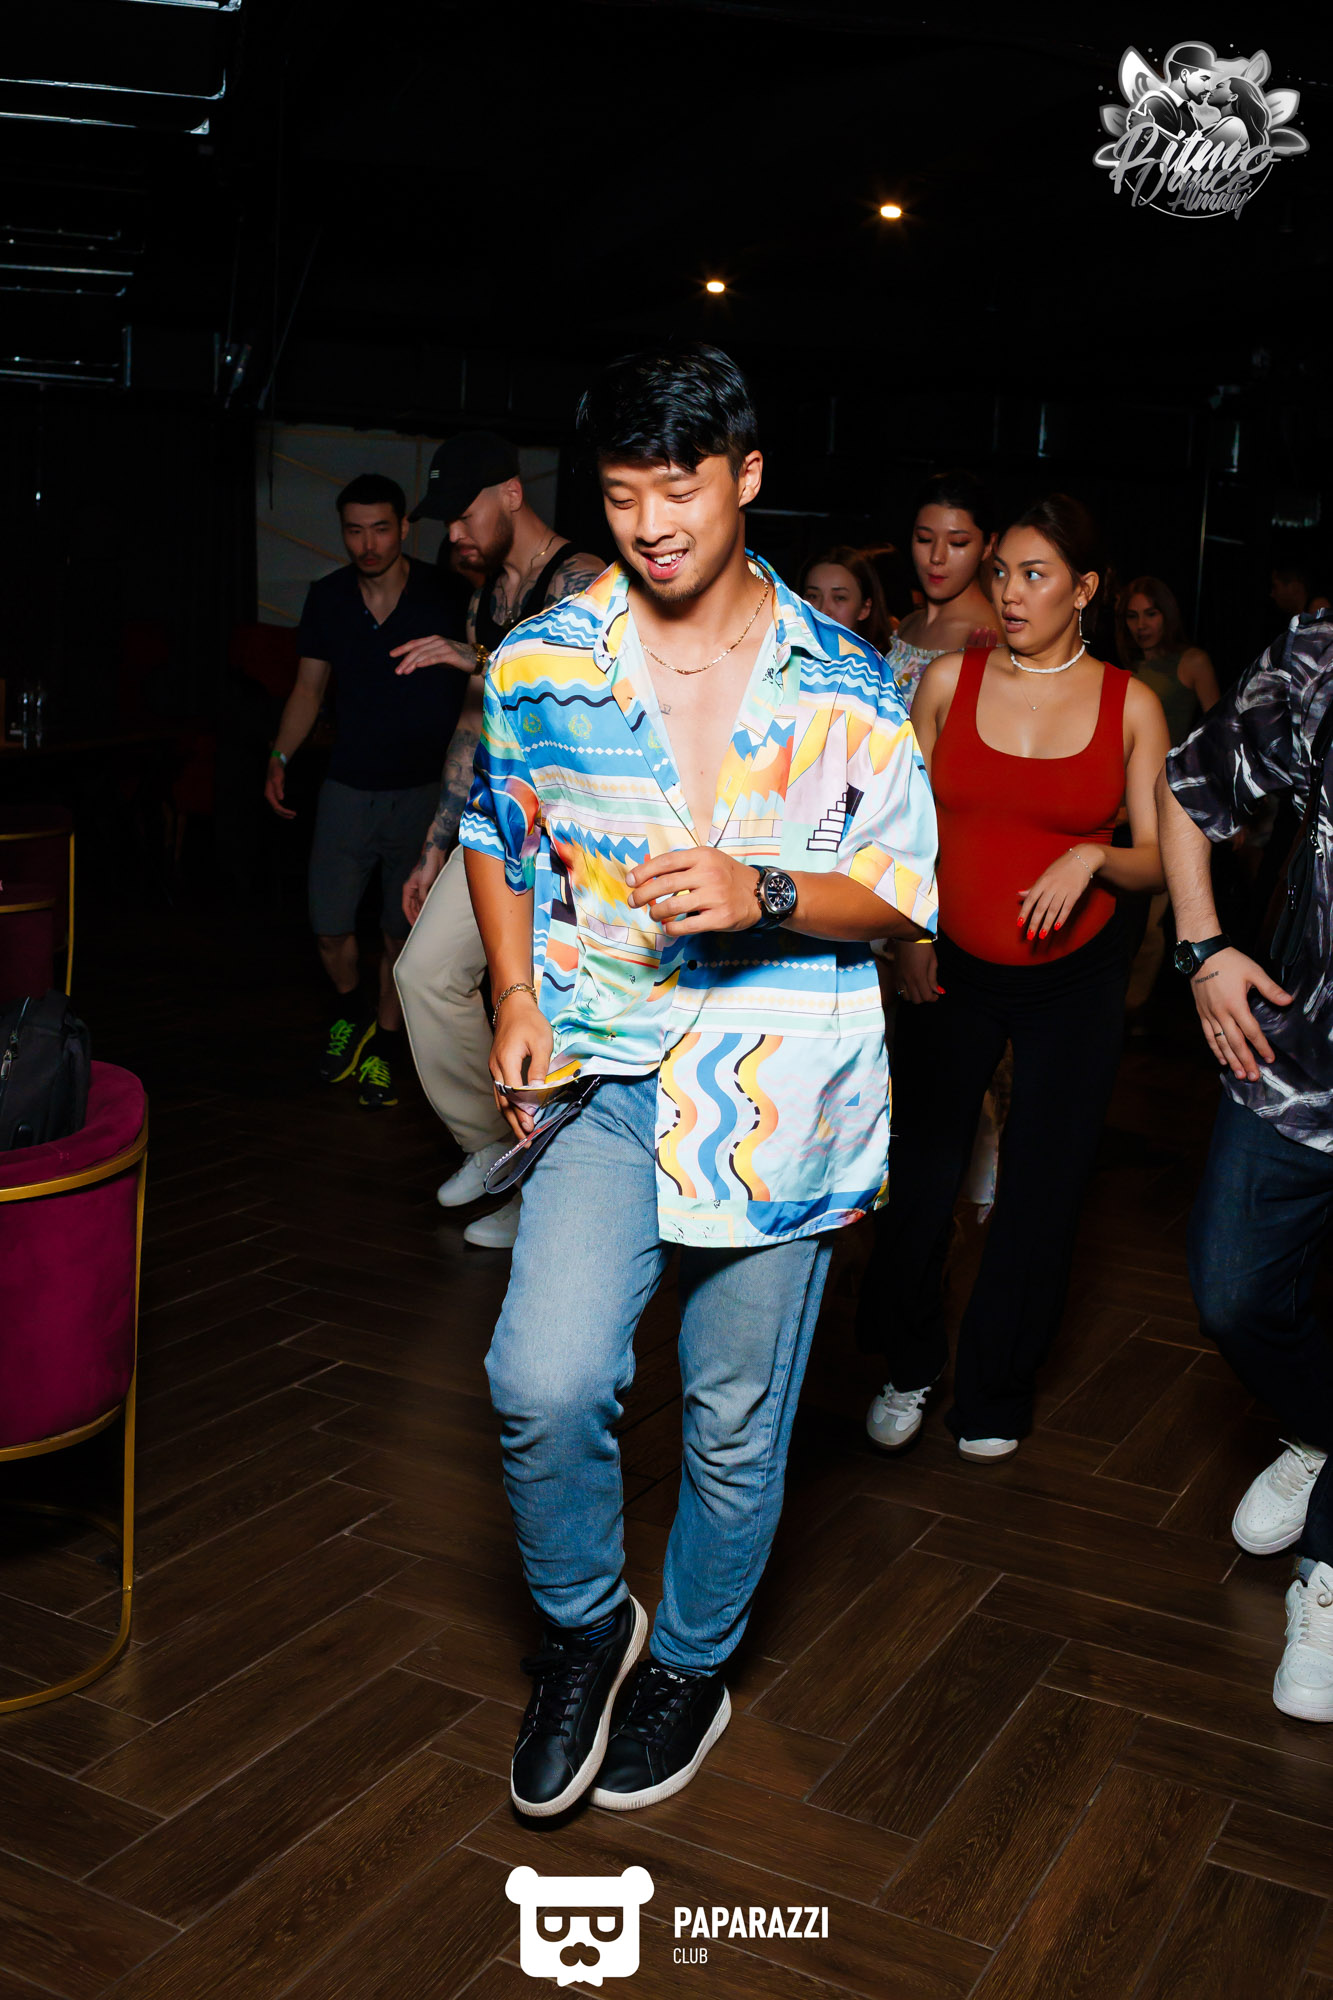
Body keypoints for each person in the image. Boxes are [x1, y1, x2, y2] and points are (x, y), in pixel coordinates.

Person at [461, 343, 938, 1818]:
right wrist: (515, 990)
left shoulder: (846, 680)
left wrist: (765, 889)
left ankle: (692, 1662)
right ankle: (586, 1627)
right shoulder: (542, 661)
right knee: (542, 1380)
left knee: (733, 1417)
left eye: (680, 489)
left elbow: (903, 893)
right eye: (621, 496)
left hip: (780, 1089)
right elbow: (496, 831)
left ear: (746, 474)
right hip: (607, 1069)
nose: (652, 525)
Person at [857, 494, 1169, 1458]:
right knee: (919, 1179)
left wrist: (1092, 855)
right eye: (1002, 573)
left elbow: (1160, 856)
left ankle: (995, 1392)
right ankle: (906, 1363)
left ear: (1083, 589)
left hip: (1075, 980)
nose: (1010, 593)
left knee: (1041, 1190)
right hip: (950, 965)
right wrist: (907, 937)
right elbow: (897, 826)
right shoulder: (947, 681)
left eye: (1034, 575)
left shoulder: (1130, 703)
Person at [1156, 610, 1333, 1722]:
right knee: (1230, 1291)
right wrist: (1200, 947)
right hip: (1299, 1061)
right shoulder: (1321, 654)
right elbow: (1188, 789)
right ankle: (1318, 1426)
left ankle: (1327, 1572)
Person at [389, 432, 603, 1248]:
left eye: (464, 513)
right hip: (500, 825)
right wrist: (435, 844)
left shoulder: (584, 581)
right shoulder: (488, 598)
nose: (453, 534)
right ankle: (493, 1148)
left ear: (512, 494)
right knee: (423, 973)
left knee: (543, 1018)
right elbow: (474, 726)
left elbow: (578, 696)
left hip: (577, 843)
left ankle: (538, 1195)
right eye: (445, 520)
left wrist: (476, 657)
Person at [264, 473, 468, 1108]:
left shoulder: (445, 592)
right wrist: (279, 755)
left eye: (381, 528)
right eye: (355, 530)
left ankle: (384, 1041)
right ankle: (350, 1013)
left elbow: (485, 675)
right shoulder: (328, 597)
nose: (368, 543)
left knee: (399, 933)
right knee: (329, 929)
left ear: (404, 527)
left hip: (423, 793)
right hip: (347, 787)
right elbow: (307, 690)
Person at [882, 469, 1002, 707]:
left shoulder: (993, 637)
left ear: (988, 546)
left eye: (958, 543)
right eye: (924, 539)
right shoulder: (907, 625)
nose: (936, 557)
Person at [1117, 575, 1220, 745]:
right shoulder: (1127, 662)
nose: (1141, 625)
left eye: (1151, 614)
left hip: (1166, 759)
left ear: (1167, 615)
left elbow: (1218, 728)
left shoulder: (1193, 661)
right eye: (1132, 616)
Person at [798, 545, 892, 651]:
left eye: (839, 598)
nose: (823, 611)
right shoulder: (785, 654)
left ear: (864, 608)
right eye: (813, 596)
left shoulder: (882, 660)